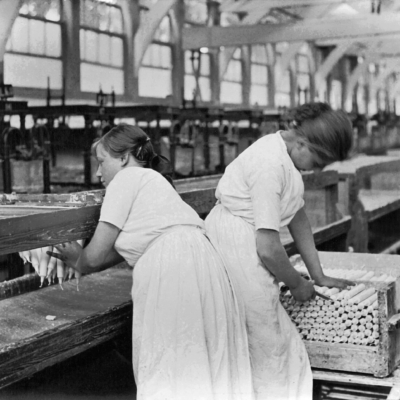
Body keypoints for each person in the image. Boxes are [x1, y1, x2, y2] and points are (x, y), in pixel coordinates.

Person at [48, 123, 254, 400]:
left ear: (123, 158)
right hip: (201, 262)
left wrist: (78, 259)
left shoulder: (125, 179)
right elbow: (124, 247)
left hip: (173, 270)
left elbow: (94, 257)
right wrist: (85, 259)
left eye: (101, 162)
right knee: (201, 359)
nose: (98, 173)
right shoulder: (153, 181)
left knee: (171, 365)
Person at [204, 102, 355, 400]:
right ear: (302, 142)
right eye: (319, 159)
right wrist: (297, 284)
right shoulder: (269, 165)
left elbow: (298, 217)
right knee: (265, 342)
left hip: (248, 241)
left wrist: (318, 275)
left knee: (276, 342)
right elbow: (269, 249)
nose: (318, 168)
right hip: (235, 244)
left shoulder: (286, 156)